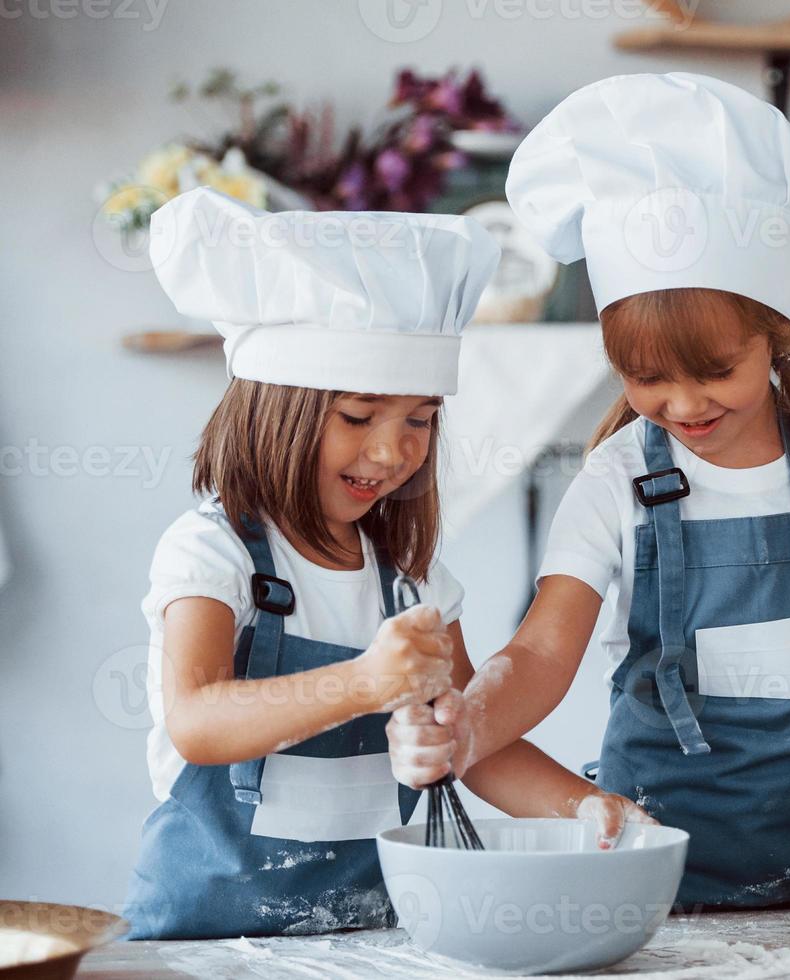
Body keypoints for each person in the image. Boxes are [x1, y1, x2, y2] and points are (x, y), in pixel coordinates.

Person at [388, 73, 790, 909]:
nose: (686, 405)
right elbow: (544, 653)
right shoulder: (617, 481)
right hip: (656, 876)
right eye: (647, 377)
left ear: (773, 337)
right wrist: (473, 718)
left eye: (716, 372)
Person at [122, 188, 643, 939]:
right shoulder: (214, 552)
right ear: (278, 409)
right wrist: (365, 682)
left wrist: (584, 806)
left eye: (421, 420)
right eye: (359, 417)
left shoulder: (409, 573)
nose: (392, 451)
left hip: (372, 940)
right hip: (209, 941)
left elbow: (471, 741)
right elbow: (198, 721)